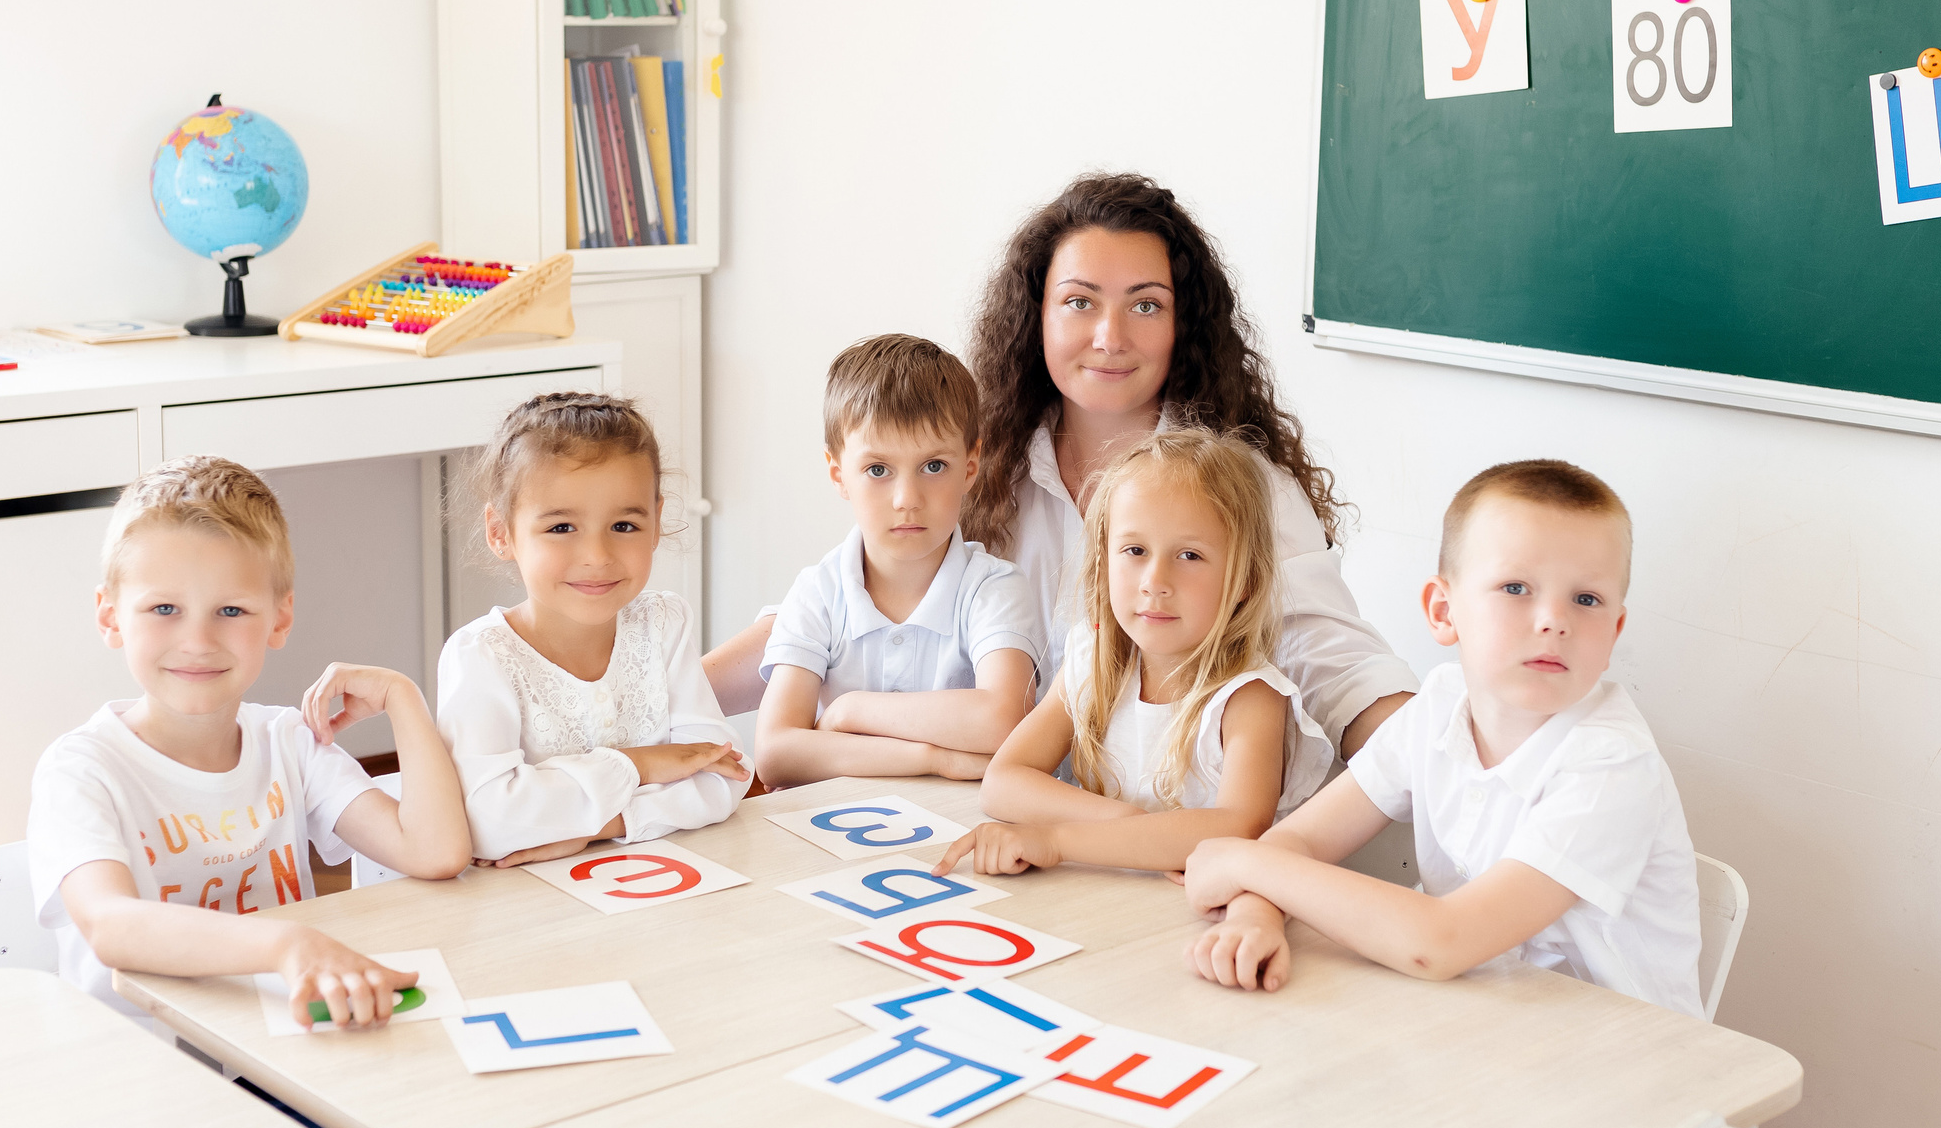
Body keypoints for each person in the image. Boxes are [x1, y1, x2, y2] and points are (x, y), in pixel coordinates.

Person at [709, 172, 1415, 758]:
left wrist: (1453, 756)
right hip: (1007, 822)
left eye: (1145, 304)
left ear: (1183, 325)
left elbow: (1337, 664)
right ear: (1035, 315)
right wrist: (650, 703)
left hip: (1162, 830)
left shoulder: (1246, 485)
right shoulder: (980, 464)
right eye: (1080, 302)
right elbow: (838, 608)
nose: (1109, 336)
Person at [1181, 459, 1704, 1018]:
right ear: (1443, 609)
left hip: (1624, 1065)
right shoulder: (1438, 707)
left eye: (1587, 600)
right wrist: (1254, 916)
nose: (1554, 620)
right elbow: (1302, 841)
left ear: (1615, 631)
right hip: (1485, 1019)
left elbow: (1440, 944)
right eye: (1516, 587)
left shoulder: (1609, 764)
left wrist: (1243, 864)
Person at [28, 456, 472, 1035]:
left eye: (231, 611)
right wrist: (287, 942)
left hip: (278, 1045)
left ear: (279, 619)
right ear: (110, 617)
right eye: (164, 609)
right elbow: (111, 925)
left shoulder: (287, 742)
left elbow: (434, 853)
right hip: (144, 1067)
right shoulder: (80, 769)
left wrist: (404, 699)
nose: (197, 641)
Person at [932, 427, 1332, 877]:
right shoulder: (1093, 660)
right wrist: (1131, 826)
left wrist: (1057, 838)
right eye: (1135, 550)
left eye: (1190, 555)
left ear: (1245, 581)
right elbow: (1003, 782)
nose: (1154, 581)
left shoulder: (1249, 698)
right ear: (1104, 565)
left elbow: (1237, 826)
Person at [438, 392, 748, 868]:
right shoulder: (481, 656)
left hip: (656, 883)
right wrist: (639, 765)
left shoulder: (662, 625)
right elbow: (489, 822)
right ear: (501, 532)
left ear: (657, 521)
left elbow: (724, 776)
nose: (598, 556)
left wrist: (602, 827)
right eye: (562, 527)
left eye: (623, 525)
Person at [753, 335, 1045, 788]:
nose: (907, 500)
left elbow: (1005, 719)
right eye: (877, 470)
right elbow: (776, 755)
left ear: (970, 468)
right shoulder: (818, 593)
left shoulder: (994, 588)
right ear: (839, 475)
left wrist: (851, 711)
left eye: (933, 466)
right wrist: (933, 759)